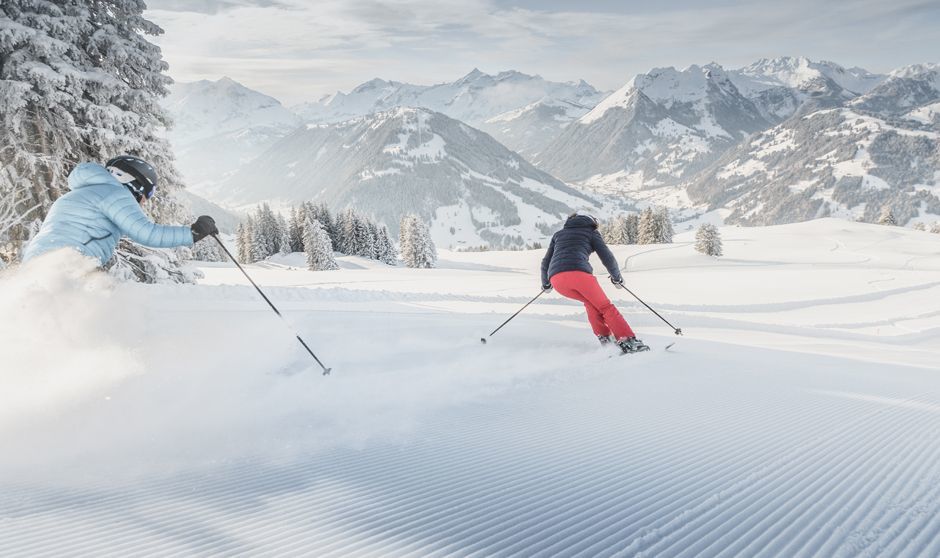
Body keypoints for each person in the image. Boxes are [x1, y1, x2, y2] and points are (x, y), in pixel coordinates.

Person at [22, 156, 218, 267]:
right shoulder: (115, 193)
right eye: (146, 194)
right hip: (71, 262)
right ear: (135, 184)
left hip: (37, 260)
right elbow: (148, 233)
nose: (143, 202)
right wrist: (193, 233)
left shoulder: (78, 194)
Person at [541, 213, 649, 354]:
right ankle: (628, 341)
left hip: (557, 279)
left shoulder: (558, 234)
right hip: (579, 275)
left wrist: (546, 282)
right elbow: (607, 257)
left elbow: (545, 261)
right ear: (592, 223)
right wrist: (617, 277)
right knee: (605, 307)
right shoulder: (591, 232)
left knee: (591, 303)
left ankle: (606, 340)